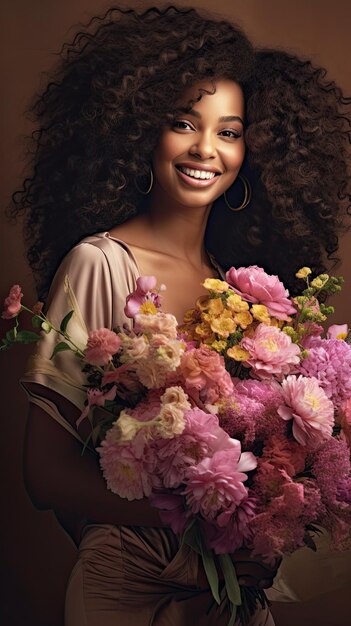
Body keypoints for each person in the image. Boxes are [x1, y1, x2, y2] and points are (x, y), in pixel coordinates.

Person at [11, 5, 350, 626]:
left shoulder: (245, 293)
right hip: (128, 586)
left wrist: (265, 525)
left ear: (253, 149)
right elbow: (45, 474)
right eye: (183, 122)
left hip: (232, 599)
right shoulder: (100, 264)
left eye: (229, 131)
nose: (205, 149)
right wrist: (211, 523)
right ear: (140, 129)